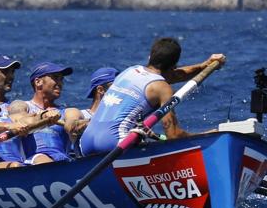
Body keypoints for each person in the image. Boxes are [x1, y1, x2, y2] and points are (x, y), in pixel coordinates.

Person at [79, 37, 226, 156]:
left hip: (85, 142)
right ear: (173, 65)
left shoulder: (129, 71)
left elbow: (175, 75)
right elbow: (173, 135)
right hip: (114, 144)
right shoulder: (162, 88)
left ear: (150, 57)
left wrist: (205, 65)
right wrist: (206, 136)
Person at [9, 62, 78, 164]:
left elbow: (74, 121)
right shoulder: (21, 105)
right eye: (55, 78)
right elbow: (20, 121)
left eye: (61, 79)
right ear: (38, 82)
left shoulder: (68, 111)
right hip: (32, 163)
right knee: (42, 159)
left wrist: (74, 125)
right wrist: (43, 116)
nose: (60, 83)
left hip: (62, 161)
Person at [63, 67, 119, 154]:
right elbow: (71, 126)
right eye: (117, 87)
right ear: (100, 90)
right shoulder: (80, 114)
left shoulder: (121, 117)